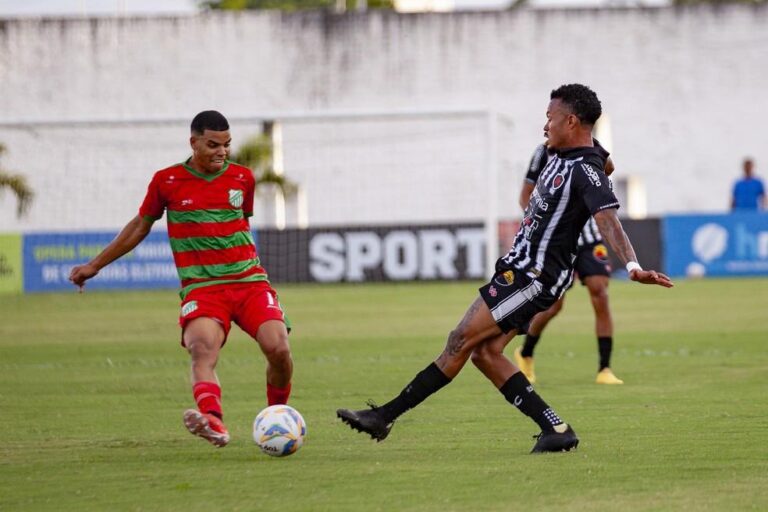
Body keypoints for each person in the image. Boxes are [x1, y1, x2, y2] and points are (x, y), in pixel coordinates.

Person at [337, 84, 673, 453]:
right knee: (484, 353)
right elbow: (606, 161)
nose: (545, 126)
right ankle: (556, 430)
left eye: (550, 118)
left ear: (571, 120)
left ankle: (383, 417)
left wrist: (633, 264)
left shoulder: (585, 173)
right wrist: (597, 158)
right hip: (518, 269)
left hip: (534, 276)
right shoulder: (556, 152)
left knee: (460, 339)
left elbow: (608, 219)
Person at [69, 111, 293, 448]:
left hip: (249, 283)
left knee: (278, 349)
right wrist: (95, 265)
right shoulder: (167, 181)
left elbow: (238, 224)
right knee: (201, 349)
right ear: (194, 142)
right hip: (203, 289)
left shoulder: (243, 178)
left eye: (227, 144)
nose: (222, 151)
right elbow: (140, 226)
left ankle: (277, 417)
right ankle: (213, 421)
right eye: (213, 144)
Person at [514, 142, 623, 385]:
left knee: (600, 292)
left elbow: (610, 167)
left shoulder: (590, 146)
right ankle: (526, 353)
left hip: (589, 237)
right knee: (553, 305)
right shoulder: (544, 152)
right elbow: (525, 195)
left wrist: (597, 153)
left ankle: (604, 368)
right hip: (558, 240)